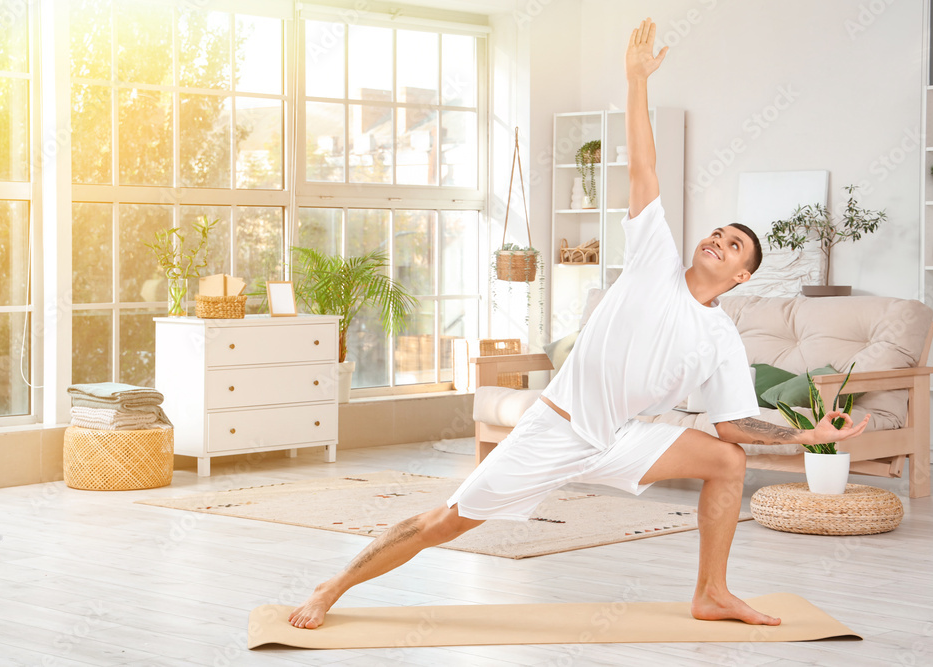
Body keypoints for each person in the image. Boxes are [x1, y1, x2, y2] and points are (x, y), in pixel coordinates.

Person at [289, 17, 870, 630]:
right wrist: (635, 80)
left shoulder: (721, 336)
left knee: (728, 461)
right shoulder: (654, 263)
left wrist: (800, 436)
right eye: (717, 235)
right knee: (446, 521)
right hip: (555, 431)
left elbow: (729, 423)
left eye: (731, 248)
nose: (716, 243)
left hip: (619, 437)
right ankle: (334, 586)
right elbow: (643, 167)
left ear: (742, 277)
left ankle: (713, 592)